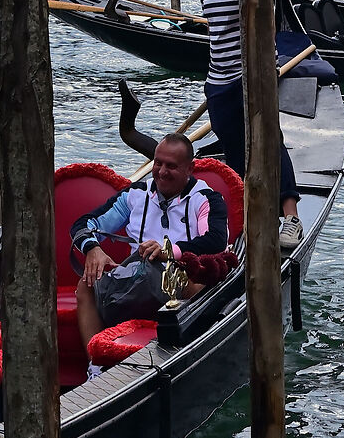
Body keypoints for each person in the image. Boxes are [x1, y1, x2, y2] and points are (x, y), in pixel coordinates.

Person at [189, 0, 301, 244]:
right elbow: (217, 34)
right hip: (217, 80)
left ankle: (291, 218)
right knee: (233, 151)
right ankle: (246, 216)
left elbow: (266, 24)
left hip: (251, 76)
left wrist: (263, 73)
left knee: (269, 142)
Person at [69, 132, 231, 358]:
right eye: (158, 163)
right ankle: (95, 364)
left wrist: (169, 251)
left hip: (182, 276)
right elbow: (84, 224)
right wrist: (92, 249)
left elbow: (216, 241)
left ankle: (178, 353)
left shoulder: (206, 199)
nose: (162, 172)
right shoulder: (134, 194)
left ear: (190, 169)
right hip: (140, 275)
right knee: (86, 284)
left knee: (195, 281)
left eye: (171, 166)